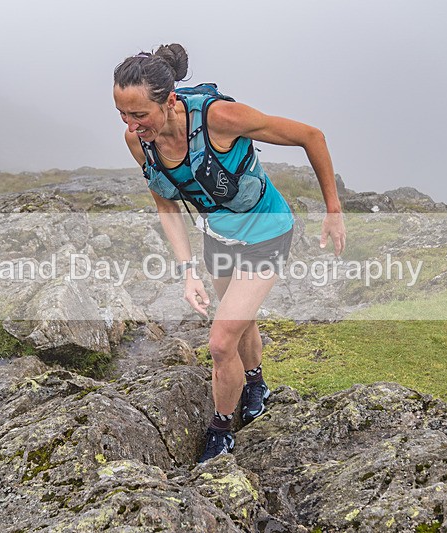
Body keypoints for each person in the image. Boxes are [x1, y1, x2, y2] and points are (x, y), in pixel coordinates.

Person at [113, 44, 346, 462]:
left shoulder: (219, 119)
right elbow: (166, 204)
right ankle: (255, 383)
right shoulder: (140, 143)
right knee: (241, 324)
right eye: (123, 116)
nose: (131, 126)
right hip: (218, 238)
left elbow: (312, 136)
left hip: (267, 234)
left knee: (221, 342)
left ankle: (221, 432)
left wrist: (333, 210)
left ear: (169, 101)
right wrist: (188, 272)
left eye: (139, 115)